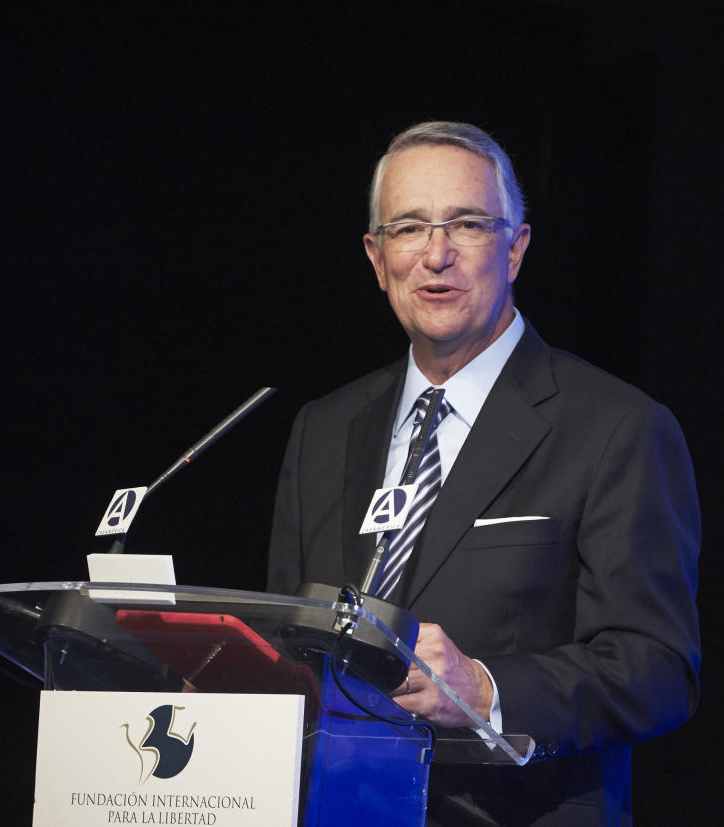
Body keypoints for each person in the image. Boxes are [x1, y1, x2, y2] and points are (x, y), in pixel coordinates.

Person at [267, 121, 700, 826]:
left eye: (467, 223)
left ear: (517, 247)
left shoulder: (616, 427)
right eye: (408, 228)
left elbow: (657, 670)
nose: (436, 254)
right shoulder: (323, 428)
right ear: (378, 259)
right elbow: (288, 643)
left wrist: (485, 686)